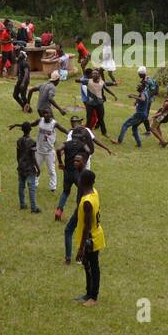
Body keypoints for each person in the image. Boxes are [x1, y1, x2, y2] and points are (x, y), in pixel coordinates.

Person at [56, 115, 113, 218]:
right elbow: (90, 149)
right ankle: (82, 209)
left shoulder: (70, 135)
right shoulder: (83, 136)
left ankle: (59, 210)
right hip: (80, 166)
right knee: (84, 188)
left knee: (66, 191)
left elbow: (61, 148)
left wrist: (61, 160)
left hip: (68, 169)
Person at [9, 109, 68, 193]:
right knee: (36, 168)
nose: (46, 115)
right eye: (45, 113)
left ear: (51, 114)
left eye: (48, 113)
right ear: (43, 115)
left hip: (49, 151)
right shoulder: (40, 121)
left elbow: (63, 129)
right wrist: (16, 125)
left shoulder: (54, 124)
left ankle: (53, 187)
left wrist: (71, 133)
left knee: (51, 170)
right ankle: (35, 184)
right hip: (39, 150)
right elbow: (29, 125)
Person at [73, 169, 105, 306]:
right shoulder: (94, 192)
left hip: (90, 238)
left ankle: (94, 297)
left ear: (83, 182)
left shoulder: (87, 202)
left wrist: (81, 248)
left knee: (93, 267)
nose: (78, 180)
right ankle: (88, 293)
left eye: (80, 178)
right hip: (95, 234)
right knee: (87, 266)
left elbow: (87, 225)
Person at [61, 153, 89, 264]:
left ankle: (77, 257)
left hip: (83, 208)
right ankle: (71, 257)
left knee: (74, 231)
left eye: (78, 161)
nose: (75, 163)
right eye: (75, 161)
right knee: (74, 231)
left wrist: (80, 207)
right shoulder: (78, 173)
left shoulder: (84, 176)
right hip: (80, 208)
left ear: (84, 162)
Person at [116, 66, 155, 147]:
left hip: (139, 114)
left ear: (142, 87)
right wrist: (134, 97)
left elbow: (143, 99)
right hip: (143, 115)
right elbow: (142, 96)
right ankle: (139, 144)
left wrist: (134, 97)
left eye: (138, 86)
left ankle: (119, 141)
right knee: (134, 128)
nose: (137, 87)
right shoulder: (144, 92)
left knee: (125, 125)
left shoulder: (144, 93)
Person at [15, 122, 41, 214]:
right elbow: (33, 157)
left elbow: (18, 156)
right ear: (30, 130)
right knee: (32, 188)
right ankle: (33, 208)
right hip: (29, 168)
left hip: (21, 166)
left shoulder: (19, 141)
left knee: (21, 186)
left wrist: (19, 164)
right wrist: (38, 168)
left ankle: (22, 204)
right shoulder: (32, 142)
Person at [81, 68, 115, 135]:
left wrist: (113, 95)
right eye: (93, 73)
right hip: (89, 104)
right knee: (89, 119)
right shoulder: (88, 81)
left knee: (101, 119)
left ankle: (104, 132)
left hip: (99, 103)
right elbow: (80, 81)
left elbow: (106, 88)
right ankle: (86, 132)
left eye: (96, 73)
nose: (94, 74)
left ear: (99, 75)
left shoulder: (101, 82)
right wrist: (81, 79)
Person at [12, 47, 32, 112]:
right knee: (15, 95)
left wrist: (23, 82)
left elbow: (26, 73)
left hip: (24, 81)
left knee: (23, 96)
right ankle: (24, 107)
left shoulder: (24, 63)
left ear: (23, 56)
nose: (19, 54)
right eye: (19, 53)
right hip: (20, 81)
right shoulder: (20, 61)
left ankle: (29, 109)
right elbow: (14, 56)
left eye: (21, 54)